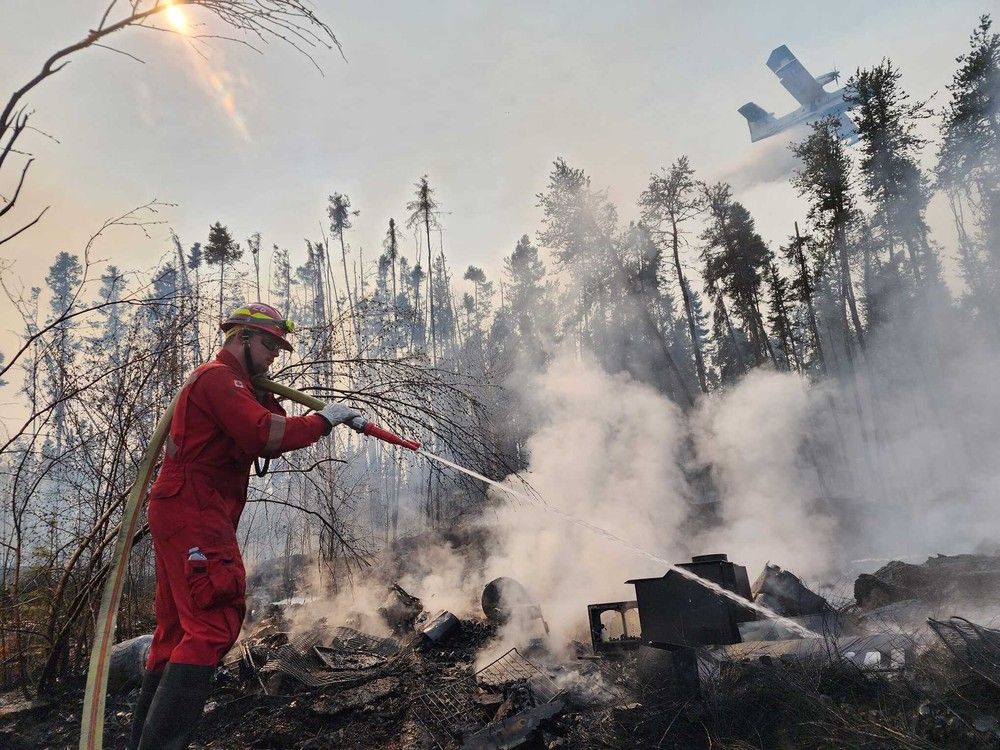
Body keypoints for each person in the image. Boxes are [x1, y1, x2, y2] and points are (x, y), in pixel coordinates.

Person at [128, 303, 361, 750]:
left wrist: (320, 414)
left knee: (175, 633)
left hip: (187, 509)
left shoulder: (234, 383)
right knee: (212, 623)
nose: (274, 355)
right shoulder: (218, 379)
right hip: (195, 509)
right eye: (269, 344)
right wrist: (323, 420)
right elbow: (264, 434)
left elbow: (265, 420)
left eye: (277, 347)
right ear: (242, 338)